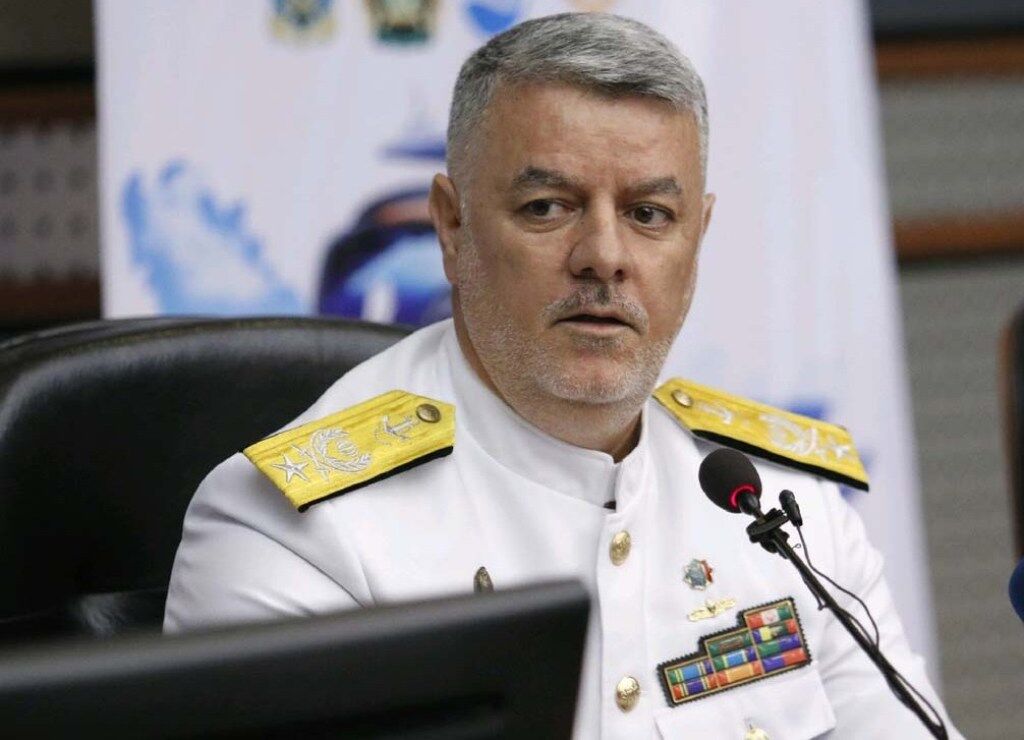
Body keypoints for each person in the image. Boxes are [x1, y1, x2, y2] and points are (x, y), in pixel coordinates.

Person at [165, 13, 961, 739]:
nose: (604, 256)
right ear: (453, 227)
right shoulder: (298, 531)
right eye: (548, 207)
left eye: (650, 215)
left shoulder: (781, 503)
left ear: (698, 237)